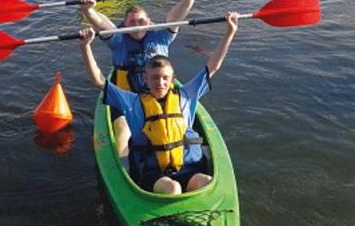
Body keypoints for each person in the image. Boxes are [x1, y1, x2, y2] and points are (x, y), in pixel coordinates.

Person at [79, 12, 240, 195]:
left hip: (187, 167)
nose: (160, 83)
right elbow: (99, 81)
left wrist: (230, 32)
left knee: (206, 182)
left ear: (173, 79)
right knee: (173, 189)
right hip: (153, 173)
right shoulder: (133, 102)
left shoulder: (186, 95)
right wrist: (85, 47)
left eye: (165, 78)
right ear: (145, 79)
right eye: (154, 78)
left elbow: (213, 66)